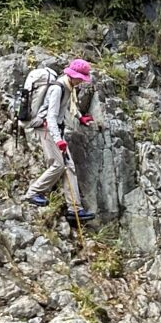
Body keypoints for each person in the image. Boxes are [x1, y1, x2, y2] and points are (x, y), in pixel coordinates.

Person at [24, 57, 96, 219]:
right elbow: (51, 117)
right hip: (46, 129)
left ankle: (75, 209)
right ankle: (33, 192)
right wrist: (58, 140)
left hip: (55, 129)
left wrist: (80, 117)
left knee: (69, 167)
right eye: (81, 78)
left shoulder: (68, 86)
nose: (81, 82)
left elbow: (70, 106)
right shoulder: (58, 88)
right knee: (58, 165)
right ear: (73, 75)